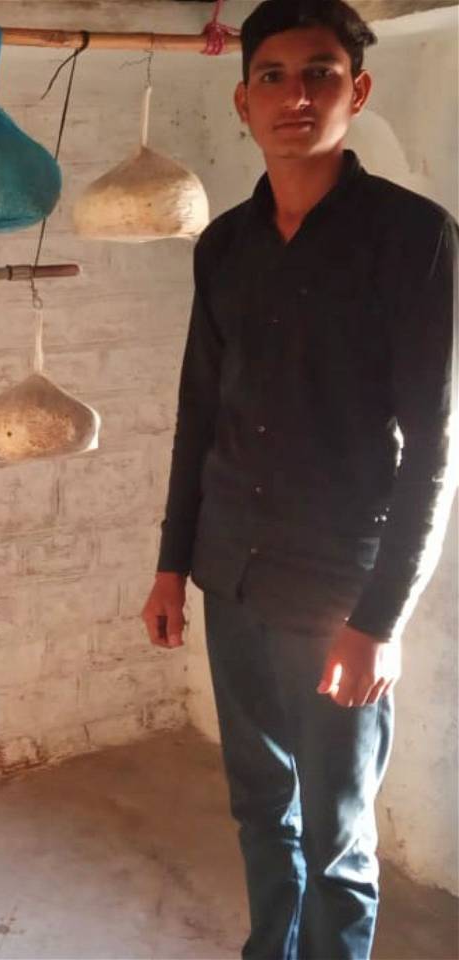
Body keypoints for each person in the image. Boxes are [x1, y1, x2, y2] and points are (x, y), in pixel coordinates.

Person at [140, 1, 458, 957]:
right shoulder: (224, 246)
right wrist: (169, 567)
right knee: (258, 807)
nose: (296, 94)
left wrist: (380, 622)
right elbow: (201, 413)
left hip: (336, 593)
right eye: (273, 76)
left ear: (356, 91)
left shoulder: (416, 239)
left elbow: (436, 448)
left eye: (320, 73)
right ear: (243, 102)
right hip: (230, 573)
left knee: (337, 841)